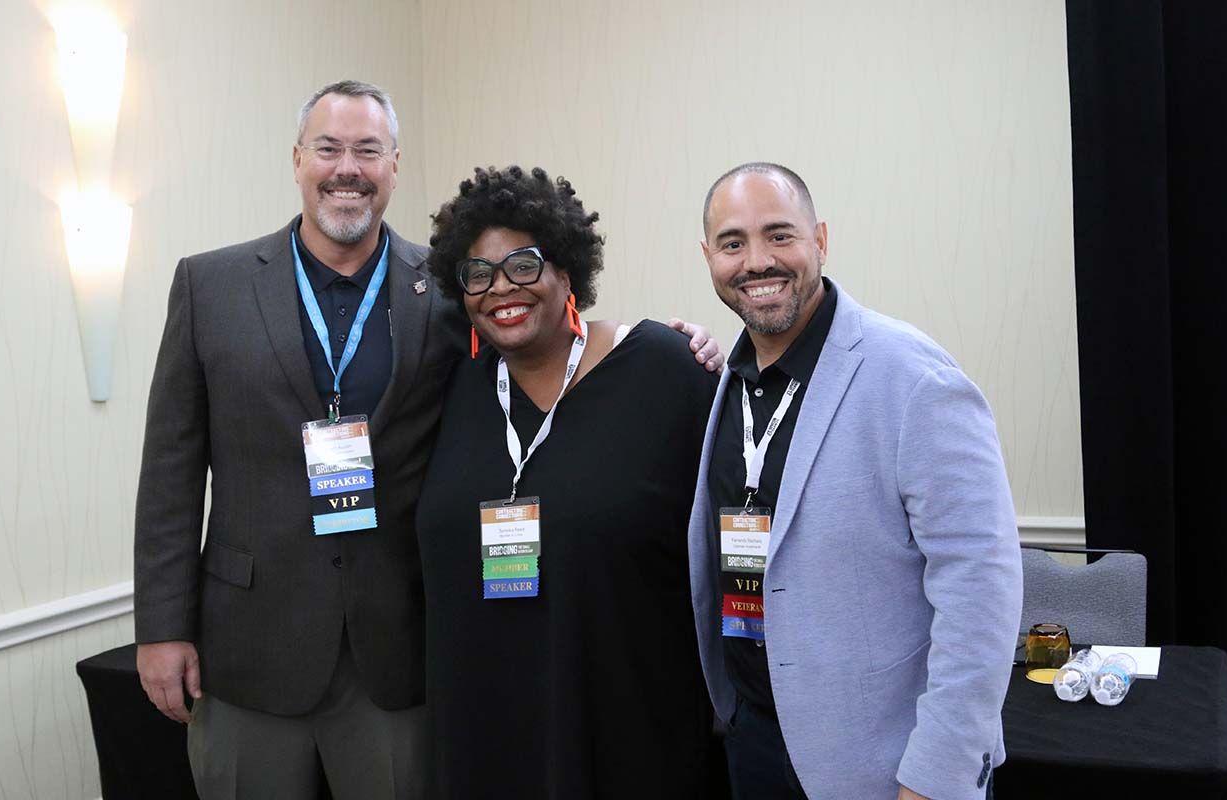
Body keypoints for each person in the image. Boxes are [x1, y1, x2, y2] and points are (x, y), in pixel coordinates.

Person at [133, 81, 721, 799]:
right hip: (251, 644)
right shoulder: (210, 285)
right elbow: (170, 468)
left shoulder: (447, 293)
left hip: (398, 651)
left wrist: (684, 342)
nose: (347, 166)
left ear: (393, 167)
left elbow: (545, 339)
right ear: (297, 160)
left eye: (367, 150)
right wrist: (161, 627)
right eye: (329, 148)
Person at [688, 162, 1023, 800]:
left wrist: (938, 775)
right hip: (751, 739)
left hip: (880, 761)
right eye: (733, 243)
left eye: (779, 235)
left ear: (820, 239)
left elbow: (982, 586)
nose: (757, 261)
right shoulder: (721, 382)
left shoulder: (912, 377)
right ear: (709, 257)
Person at [417, 166, 719, 799]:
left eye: (524, 265)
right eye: (478, 273)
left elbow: (732, 515)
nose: (502, 288)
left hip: (625, 728)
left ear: (566, 270)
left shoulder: (662, 368)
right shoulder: (453, 387)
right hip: (482, 733)